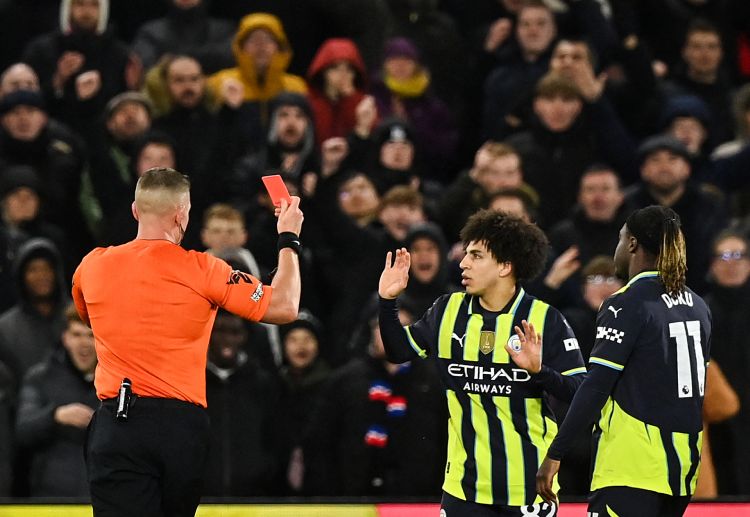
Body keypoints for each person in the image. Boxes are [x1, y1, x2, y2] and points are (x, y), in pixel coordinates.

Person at [72, 167, 303, 516]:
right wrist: (289, 238)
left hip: (119, 422)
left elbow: (88, 316)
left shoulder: (91, 266)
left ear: (136, 210)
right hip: (180, 429)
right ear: (182, 214)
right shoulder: (204, 269)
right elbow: (285, 306)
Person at [378, 209, 586, 515]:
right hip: (463, 487)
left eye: (476, 256)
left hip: (527, 487)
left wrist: (539, 372)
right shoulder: (446, 311)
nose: (463, 263)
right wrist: (387, 301)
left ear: (505, 265)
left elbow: (582, 391)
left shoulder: (545, 320)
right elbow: (398, 351)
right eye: (465, 254)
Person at [537, 205, 713, 517]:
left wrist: (555, 453)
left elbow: (596, 386)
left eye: (620, 239)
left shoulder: (625, 303)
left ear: (632, 244)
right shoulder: (698, 306)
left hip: (631, 467)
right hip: (682, 471)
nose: (617, 248)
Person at [15, 303, 98, 496]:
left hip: (101, 498)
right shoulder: (40, 377)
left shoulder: (117, 383)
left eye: (91, 336)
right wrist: (55, 416)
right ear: (66, 338)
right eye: (77, 335)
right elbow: (23, 431)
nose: (84, 343)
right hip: (50, 499)